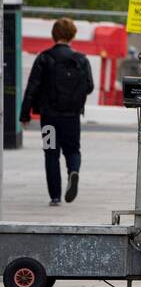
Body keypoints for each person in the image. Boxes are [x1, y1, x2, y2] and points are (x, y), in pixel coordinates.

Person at [20, 17, 94, 206]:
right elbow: (90, 86)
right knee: (73, 150)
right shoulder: (82, 60)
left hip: (49, 117)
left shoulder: (44, 58)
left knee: (51, 153)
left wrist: (25, 113)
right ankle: (73, 171)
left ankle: (55, 196)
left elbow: (32, 87)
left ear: (53, 35)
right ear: (72, 35)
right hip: (72, 117)